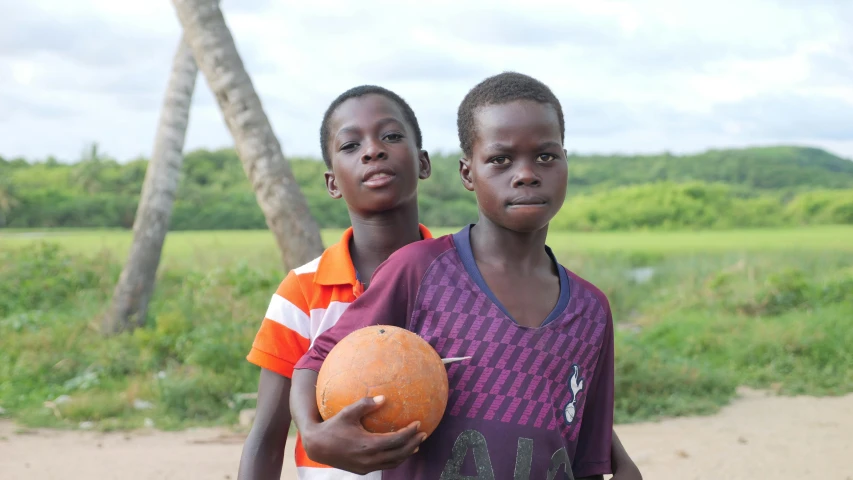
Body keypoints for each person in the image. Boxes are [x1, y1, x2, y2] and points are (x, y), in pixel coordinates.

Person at [290, 72, 642, 479]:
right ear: (467, 173)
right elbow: (315, 362)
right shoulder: (419, 270)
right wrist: (314, 435)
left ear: (565, 163)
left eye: (545, 156)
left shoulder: (590, 309)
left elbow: (588, 451)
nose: (526, 173)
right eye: (500, 159)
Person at [237, 85, 433, 480]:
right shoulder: (303, 293)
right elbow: (266, 437)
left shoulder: (464, 285)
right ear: (332, 183)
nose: (372, 150)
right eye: (350, 145)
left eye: (391, 136)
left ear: (423, 163)